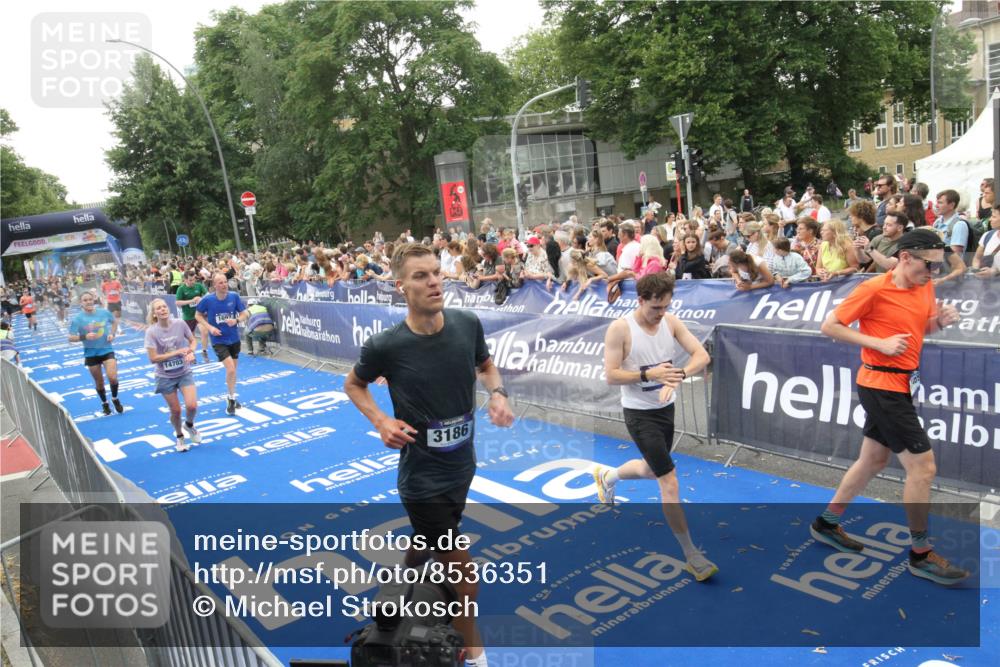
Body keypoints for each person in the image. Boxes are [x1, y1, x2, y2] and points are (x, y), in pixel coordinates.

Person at [344, 243, 514, 667]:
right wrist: (381, 421)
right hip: (422, 483)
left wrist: (498, 394)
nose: (434, 281)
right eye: (421, 276)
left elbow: (487, 366)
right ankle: (476, 659)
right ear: (400, 286)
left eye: (437, 272)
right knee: (466, 583)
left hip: (462, 467)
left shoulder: (466, 323)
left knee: (424, 543)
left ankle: (400, 590)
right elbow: (353, 384)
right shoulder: (386, 346)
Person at [812, 228, 969, 586]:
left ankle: (827, 523)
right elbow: (830, 326)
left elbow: (920, 328)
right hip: (880, 385)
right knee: (923, 468)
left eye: (938, 266)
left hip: (901, 383)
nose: (933, 273)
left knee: (873, 460)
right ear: (905, 257)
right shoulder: (873, 288)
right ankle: (920, 554)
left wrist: (939, 322)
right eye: (928, 265)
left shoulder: (924, 285)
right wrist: (878, 343)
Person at [595, 272, 717, 581]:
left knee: (651, 470)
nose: (661, 313)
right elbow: (611, 375)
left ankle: (608, 476)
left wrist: (679, 375)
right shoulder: (621, 329)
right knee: (669, 480)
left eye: (665, 306)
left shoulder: (671, 322)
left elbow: (702, 355)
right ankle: (692, 555)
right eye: (655, 308)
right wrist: (648, 375)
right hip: (639, 414)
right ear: (640, 301)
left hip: (666, 409)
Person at [145, 298, 201, 452]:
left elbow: (193, 341)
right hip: (165, 376)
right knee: (176, 411)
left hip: (184, 372)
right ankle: (179, 436)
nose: (162, 309)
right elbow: (153, 358)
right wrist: (177, 352)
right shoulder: (151, 332)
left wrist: (191, 351)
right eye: (158, 308)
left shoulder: (180, 324)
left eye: (164, 307)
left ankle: (189, 425)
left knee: (192, 406)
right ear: (154, 314)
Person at [195, 272, 250, 415]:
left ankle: (232, 396)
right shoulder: (208, 300)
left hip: (234, 338)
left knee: (233, 371)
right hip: (218, 340)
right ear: (214, 285)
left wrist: (236, 320)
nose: (224, 285)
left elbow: (245, 313)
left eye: (225, 282)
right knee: (230, 369)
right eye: (220, 283)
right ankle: (231, 399)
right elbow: (198, 315)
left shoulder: (234, 296)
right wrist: (210, 328)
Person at [68, 291, 122, 415]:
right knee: (99, 382)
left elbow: (114, 322)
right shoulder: (77, 319)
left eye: (90, 299)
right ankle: (105, 403)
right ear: (81, 303)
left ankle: (115, 398)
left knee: (113, 377)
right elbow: (71, 337)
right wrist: (84, 337)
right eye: (85, 300)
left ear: (94, 300)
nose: (88, 302)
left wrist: (112, 334)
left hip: (107, 350)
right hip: (91, 354)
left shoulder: (103, 312)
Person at [175, 270, 210, 363]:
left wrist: (200, 299)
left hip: (200, 314)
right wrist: (191, 301)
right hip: (188, 316)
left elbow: (208, 296)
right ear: (185, 280)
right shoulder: (181, 289)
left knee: (205, 332)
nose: (193, 282)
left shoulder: (199, 286)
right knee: (191, 338)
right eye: (190, 280)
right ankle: (192, 354)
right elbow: (177, 303)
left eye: (194, 279)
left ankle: (204, 351)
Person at [971, 203, 1000, 278]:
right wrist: (976, 270)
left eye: (994, 217)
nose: (990, 219)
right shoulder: (987, 235)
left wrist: (995, 272)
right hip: (986, 284)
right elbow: (977, 258)